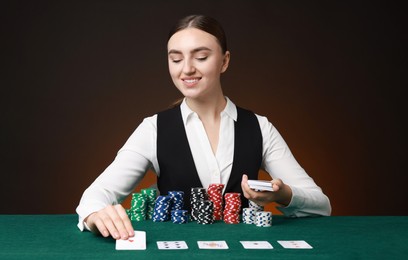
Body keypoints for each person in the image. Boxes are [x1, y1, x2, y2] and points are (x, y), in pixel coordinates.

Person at [76, 14, 331, 240]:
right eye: (176, 59)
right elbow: (95, 196)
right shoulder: (153, 129)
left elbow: (320, 205)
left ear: (224, 61)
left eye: (201, 57)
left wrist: (282, 195)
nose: (187, 69)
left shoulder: (259, 128)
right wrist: (95, 214)